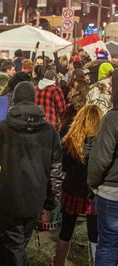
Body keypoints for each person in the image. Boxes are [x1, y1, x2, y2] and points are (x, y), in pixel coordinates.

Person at [0, 81, 64, 265]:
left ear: (14, 100)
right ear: (34, 99)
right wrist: (52, 199)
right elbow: (56, 169)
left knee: (15, 244)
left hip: (7, 197)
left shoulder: (2, 128)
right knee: (19, 240)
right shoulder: (49, 131)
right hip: (35, 197)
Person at [53, 105, 103, 265]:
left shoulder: (70, 141)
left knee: (66, 230)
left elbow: (63, 167)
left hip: (72, 190)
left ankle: (58, 262)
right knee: (94, 233)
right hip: (93, 192)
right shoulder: (103, 143)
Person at [87, 69, 118, 265]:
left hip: (111, 191)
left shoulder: (112, 119)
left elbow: (100, 158)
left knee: (107, 243)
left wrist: (93, 182)